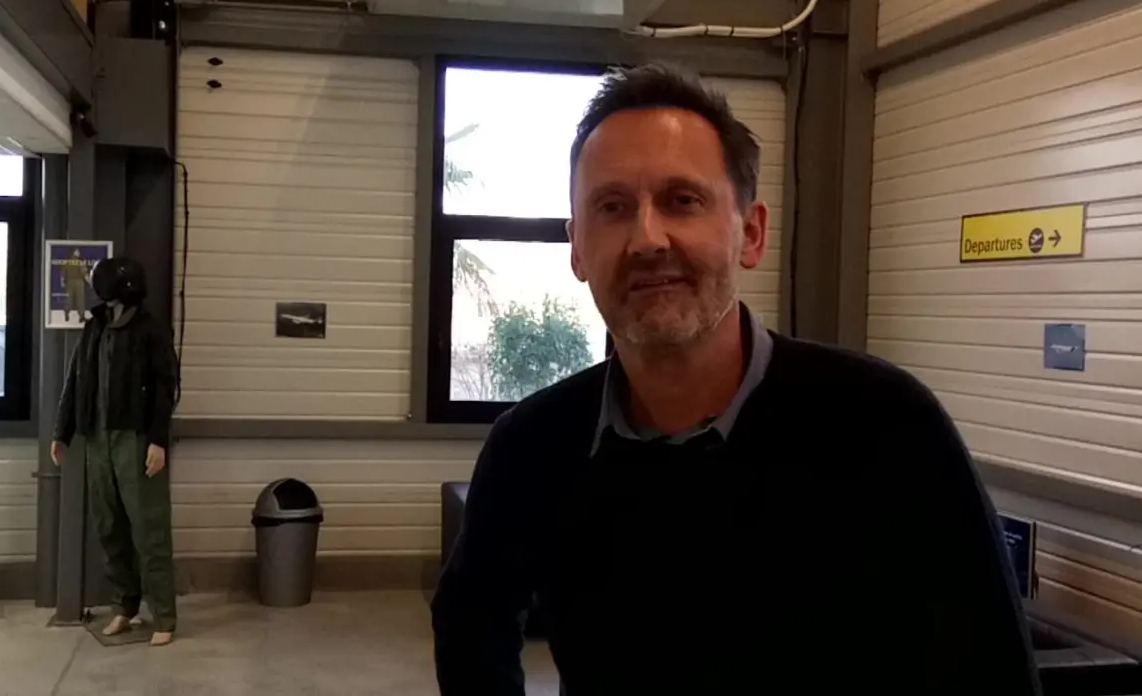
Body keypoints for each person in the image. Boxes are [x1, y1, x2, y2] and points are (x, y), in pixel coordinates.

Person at [431, 63, 1040, 695]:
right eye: (612, 207)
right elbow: (470, 627)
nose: (646, 239)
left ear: (750, 234)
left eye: (682, 200)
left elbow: (990, 668)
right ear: (578, 249)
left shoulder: (885, 425)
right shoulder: (533, 445)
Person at [50, 256, 181, 646]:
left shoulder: (150, 330)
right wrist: (62, 432)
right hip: (98, 439)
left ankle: (164, 616)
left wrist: (158, 440)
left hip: (135, 439)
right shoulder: (95, 328)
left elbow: (166, 387)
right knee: (109, 526)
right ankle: (125, 605)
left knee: (148, 528)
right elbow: (76, 379)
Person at [63, 248, 89, 322]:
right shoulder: (80, 262)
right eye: (77, 252)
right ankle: (81, 316)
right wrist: (90, 282)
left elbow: (63, 274)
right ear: (74, 252)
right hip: (79, 282)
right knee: (80, 300)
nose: (79, 253)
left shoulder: (67, 262)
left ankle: (66, 314)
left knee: (69, 299)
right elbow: (84, 274)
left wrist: (64, 282)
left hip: (69, 282)